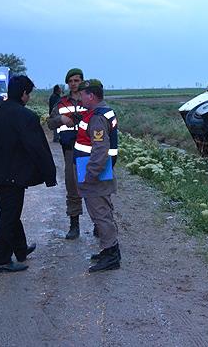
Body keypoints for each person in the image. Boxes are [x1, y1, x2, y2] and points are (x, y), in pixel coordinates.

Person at [0, 75, 57, 273]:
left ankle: (20, 248)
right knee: (9, 215)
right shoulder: (26, 116)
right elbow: (38, 147)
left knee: (10, 211)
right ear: (23, 93)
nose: (29, 98)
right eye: (29, 94)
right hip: (14, 174)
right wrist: (49, 174)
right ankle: (1, 260)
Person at [63, 78, 120, 272]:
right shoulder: (100, 112)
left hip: (95, 173)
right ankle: (108, 249)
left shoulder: (96, 117)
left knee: (100, 214)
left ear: (91, 96)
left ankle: (111, 254)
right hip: (98, 171)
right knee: (104, 211)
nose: (80, 98)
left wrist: (91, 174)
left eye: (82, 94)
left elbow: (100, 149)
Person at [46, 68, 87, 239]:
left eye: (77, 80)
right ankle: (74, 225)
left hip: (88, 150)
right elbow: (49, 123)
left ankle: (99, 224)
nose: (74, 84)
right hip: (70, 151)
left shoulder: (89, 101)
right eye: (71, 81)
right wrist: (61, 119)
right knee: (72, 187)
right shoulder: (61, 104)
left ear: (82, 81)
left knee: (93, 187)